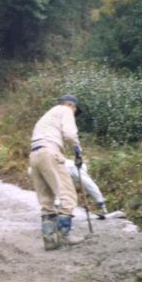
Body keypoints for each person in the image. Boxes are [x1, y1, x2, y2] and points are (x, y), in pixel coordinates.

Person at [29, 94, 84, 250]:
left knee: (46, 200)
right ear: (71, 105)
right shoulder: (66, 111)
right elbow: (69, 134)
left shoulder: (46, 116)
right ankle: (64, 235)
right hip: (50, 152)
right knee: (68, 195)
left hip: (34, 155)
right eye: (75, 110)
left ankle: (49, 240)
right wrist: (77, 149)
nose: (74, 113)